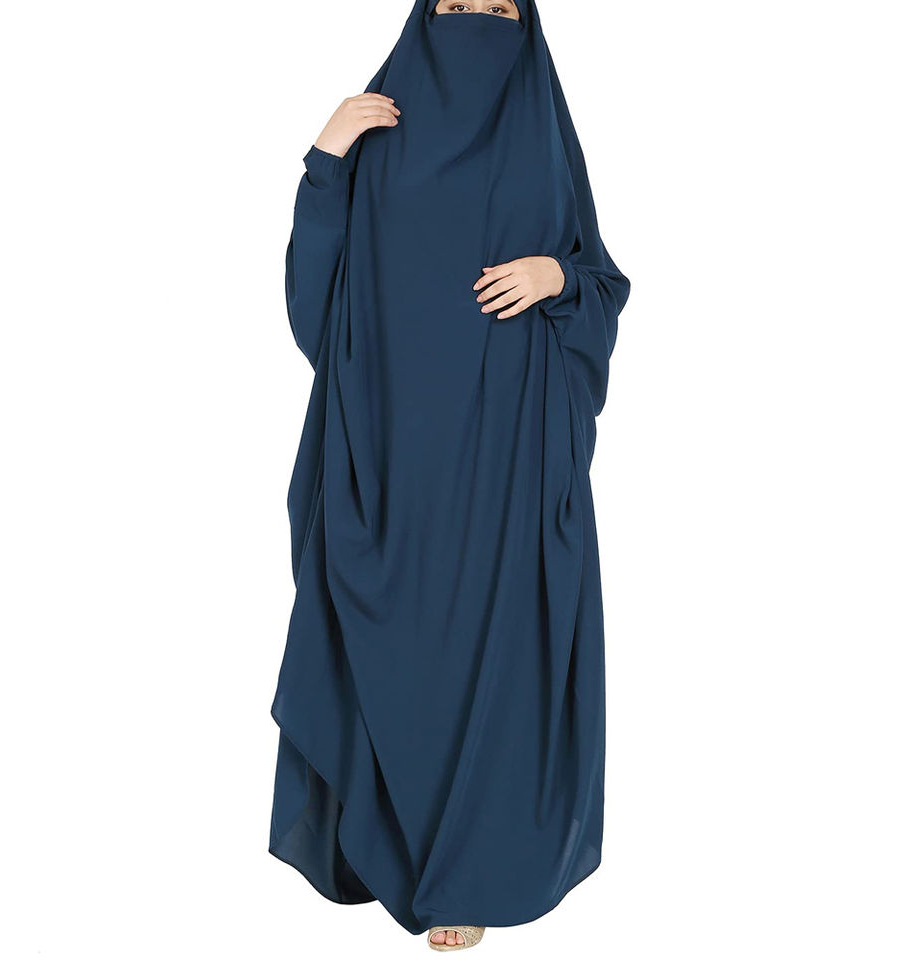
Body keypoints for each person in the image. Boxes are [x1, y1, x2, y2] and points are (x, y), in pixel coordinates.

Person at [268, 0, 630, 950]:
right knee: (398, 643)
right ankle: (397, 847)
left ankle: (469, 873)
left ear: (527, 23)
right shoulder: (379, 131)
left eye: (498, 7)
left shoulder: (542, 135)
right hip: (393, 443)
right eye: (458, 5)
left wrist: (557, 276)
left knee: (494, 652)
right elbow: (318, 304)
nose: (477, 21)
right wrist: (325, 158)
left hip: (511, 448)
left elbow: (601, 281)